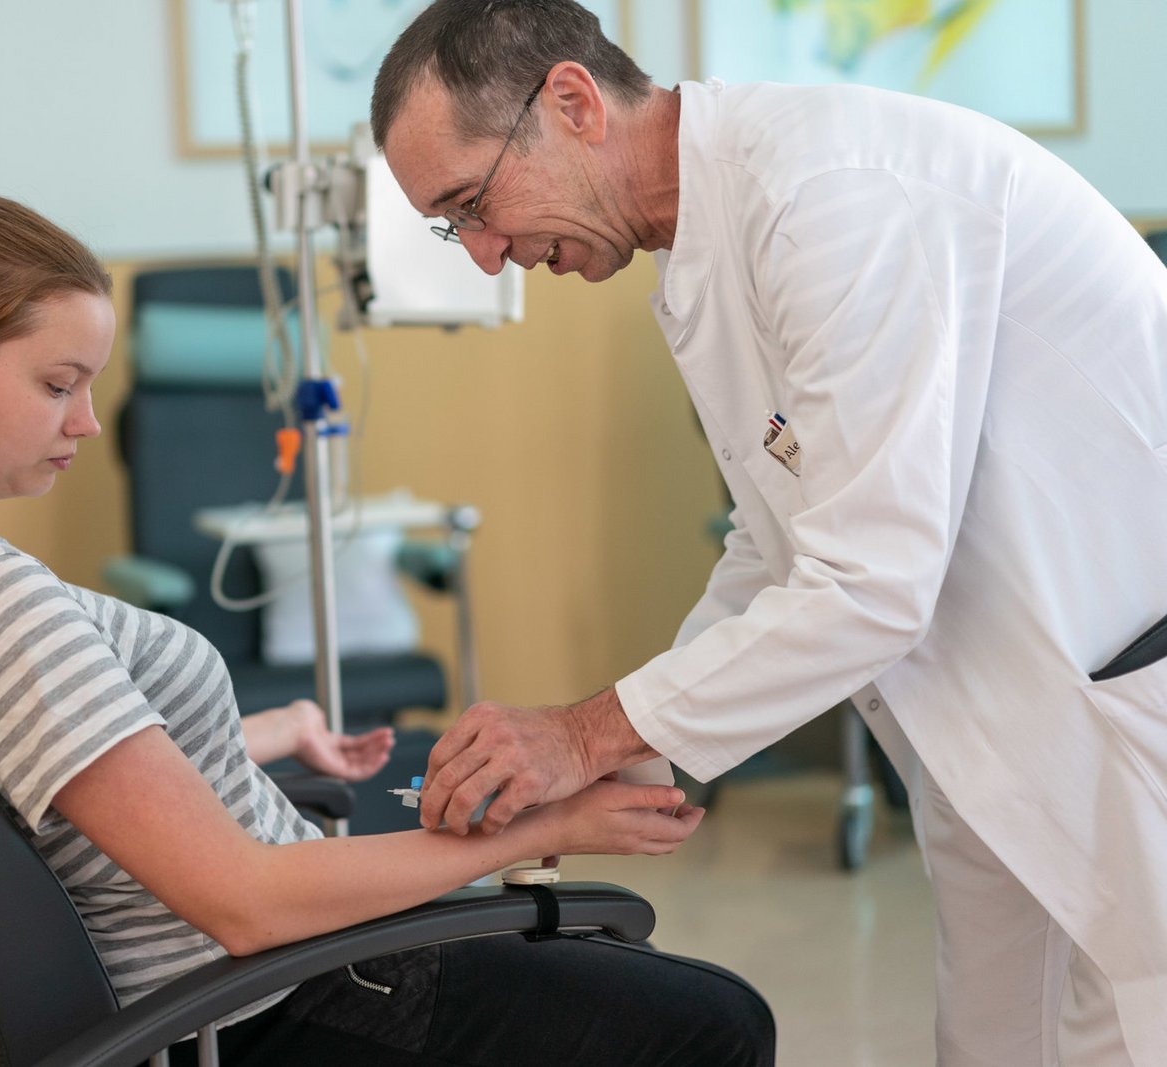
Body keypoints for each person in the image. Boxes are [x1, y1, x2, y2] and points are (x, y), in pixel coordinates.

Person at [370, 2, 1167, 1064]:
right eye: (449, 226)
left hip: (1119, 707)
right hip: (1000, 729)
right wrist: (643, 747)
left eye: (473, 203)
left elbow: (869, 583)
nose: (484, 256)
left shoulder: (834, 197)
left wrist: (588, 731)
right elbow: (776, 538)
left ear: (570, 103)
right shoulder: (711, 235)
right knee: (993, 1037)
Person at [0, 194, 774, 1066]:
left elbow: (51, 776)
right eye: (59, 384)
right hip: (271, 1001)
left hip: (253, 981)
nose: (90, 423)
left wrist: (267, 733)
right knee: (713, 1022)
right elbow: (246, 900)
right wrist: (553, 821)